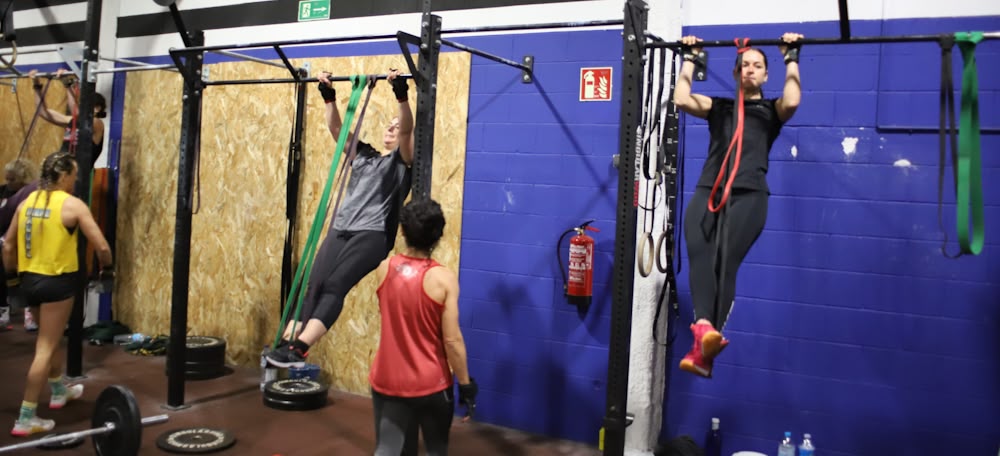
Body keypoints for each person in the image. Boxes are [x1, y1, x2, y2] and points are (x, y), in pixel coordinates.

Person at [672, 33, 803, 377]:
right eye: (744, 65)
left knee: (724, 261)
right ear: (735, 73)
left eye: (757, 66)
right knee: (698, 249)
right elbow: (681, 98)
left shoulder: (771, 110)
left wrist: (792, 57)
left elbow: (792, 100)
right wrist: (691, 57)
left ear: (765, 75)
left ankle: (705, 340)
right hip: (709, 190)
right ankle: (704, 333)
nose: (750, 70)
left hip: (749, 196)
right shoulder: (721, 107)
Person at [266, 69, 414, 367]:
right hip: (341, 227)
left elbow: (409, 131)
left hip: (371, 235)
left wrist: (401, 96)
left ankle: (301, 348)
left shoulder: (403, 162)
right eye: (389, 125)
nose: (391, 128)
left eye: (396, 127)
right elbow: (338, 131)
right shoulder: (366, 155)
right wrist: (328, 97)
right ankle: (286, 343)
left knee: (334, 285)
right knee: (311, 282)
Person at [2, 151, 113, 436]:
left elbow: (8, 246)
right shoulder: (72, 205)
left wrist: (13, 279)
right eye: (74, 176)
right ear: (63, 176)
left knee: (47, 340)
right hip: (57, 284)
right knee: (46, 347)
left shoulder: (26, 202)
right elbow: (101, 246)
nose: (75, 182)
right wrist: (108, 268)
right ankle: (26, 417)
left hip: (29, 283)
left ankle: (59, 390)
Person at [368, 198, 477, 456]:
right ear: (438, 234)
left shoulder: (384, 269)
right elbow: (452, 341)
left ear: (403, 231)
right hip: (432, 385)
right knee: (436, 451)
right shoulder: (443, 279)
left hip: (388, 381)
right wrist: (465, 384)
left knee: (389, 449)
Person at [28, 69, 107, 168]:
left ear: (97, 108)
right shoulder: (72, 121)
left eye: (85, 105)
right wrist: (36, 85)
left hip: (81, 175)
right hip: (64, 170)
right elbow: (43, 112)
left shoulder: (97, 124)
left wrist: (68, 84)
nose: (81, 107)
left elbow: (78, 114)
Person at [0, 159, 38, 329]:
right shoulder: (6, 193)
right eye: (7, 179)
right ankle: (4, 310)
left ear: (24, 178)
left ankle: (30, 315)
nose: (8, 183)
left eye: (12, 179)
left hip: (26, 242)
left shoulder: (29, 194)